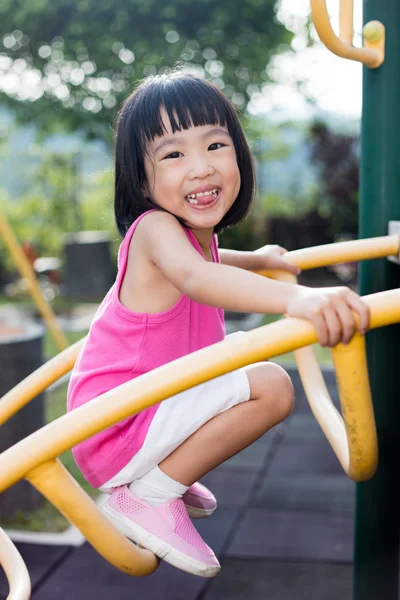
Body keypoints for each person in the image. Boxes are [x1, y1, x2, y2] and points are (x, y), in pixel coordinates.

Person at [67, 70, 369, 578]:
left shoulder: (187, 233)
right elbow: (194, 275)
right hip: (117, 422)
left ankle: (163, 475)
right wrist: (299, 298)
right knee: (270, 385)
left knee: (233, 368)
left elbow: (208, 261)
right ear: (141, 180)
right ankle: (148, 494)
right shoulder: (155, 229)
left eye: (215, 144)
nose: (201, 167)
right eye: (173, 154)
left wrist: (256, 258)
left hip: (134, 411)